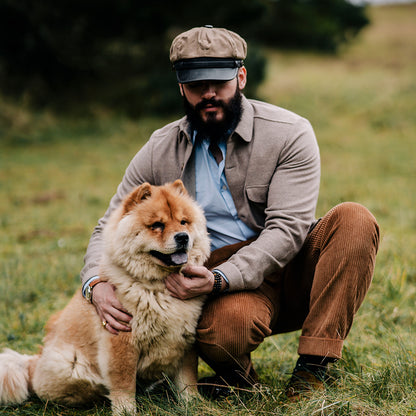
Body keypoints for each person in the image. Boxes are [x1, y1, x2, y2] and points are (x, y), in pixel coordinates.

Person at [80, 25, 380, 399]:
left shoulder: (290, 132)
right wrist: (95, 284)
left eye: (219, 82)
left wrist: (221, 278)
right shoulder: (159, 148)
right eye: (195, 85)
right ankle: (238, 378)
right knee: (223, 333)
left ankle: (314, 369)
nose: (208, 94)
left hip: (290, 261)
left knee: (355, 219)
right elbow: (108, 226)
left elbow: (288, 229)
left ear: (240, 77)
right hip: (219, 275)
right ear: (181, 89)